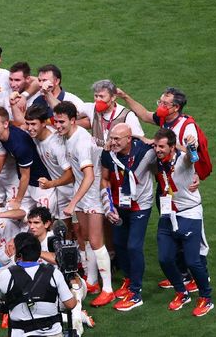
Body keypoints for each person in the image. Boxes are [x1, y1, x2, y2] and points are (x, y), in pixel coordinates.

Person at [117, 86, 204, 290]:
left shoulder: (187, 126)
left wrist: (161, 145)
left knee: (188, 232)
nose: (160, 106)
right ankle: (182, 274)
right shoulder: (165, 119)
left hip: (183, 186)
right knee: (172, 227)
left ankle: (198, 276)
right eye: (160, 102)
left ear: (176, 107)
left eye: (165, 103)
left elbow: (193, 154)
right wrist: (126, 96)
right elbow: (145, 115)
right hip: (165, 186)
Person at [51, 101, 114, 307]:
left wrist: (73, 202)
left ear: (72, 120)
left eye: (61, 122)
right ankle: (93, 281)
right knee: (86, 238)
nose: (57, 125)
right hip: (83, 194)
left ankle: (108, 289)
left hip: (92, 195)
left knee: (96, 241)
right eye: (56, 121)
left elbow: (88, 176)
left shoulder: (81, 142)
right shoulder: (68, 137)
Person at [153, 128, 213, 317]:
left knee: (192, 261)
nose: (157, 149)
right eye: (156, 146)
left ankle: (206, 297)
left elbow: (192, 156)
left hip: (189, 214)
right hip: (168, 214)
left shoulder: (183, 160)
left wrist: (191, 145)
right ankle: (182, 292)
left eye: (161, 146)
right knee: (164, 258)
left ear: (172, 147)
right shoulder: (158, 159)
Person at [100, 123, 155, 311]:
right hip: (118, 205)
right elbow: (105, 179)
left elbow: (170, 153)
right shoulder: (108, 154)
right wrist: (109, 207)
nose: (112, 142)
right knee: (118, 243)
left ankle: (136, 292)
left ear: (129, 139)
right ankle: (129, 279)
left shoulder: (145, 151)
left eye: (117, 139)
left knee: (134, 246)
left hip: (140, 205)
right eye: (111, 138)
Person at [0, 232, 76, 337]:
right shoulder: (54, 273)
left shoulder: (6, 275)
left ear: (19, 254)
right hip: (52, 333)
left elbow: (2, 299)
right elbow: (71, 304)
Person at [0, 107, 54, 216]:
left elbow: (25, 176)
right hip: (27, 184)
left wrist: (18, 200)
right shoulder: (2, 135)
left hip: (41, 185)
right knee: (16, 218)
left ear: (5, 124)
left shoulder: (19, 145)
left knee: (44, 222)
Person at [24, 106, 74, 226]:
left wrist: (50, 184)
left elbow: (71, 175)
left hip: (73, 190)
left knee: (79, 229)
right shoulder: (36, 136)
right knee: (62, 226)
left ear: (43, 123)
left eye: (33, 124)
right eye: (28, 124)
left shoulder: (56, 145)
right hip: (60, 189)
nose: (29, 128)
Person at [83, 79, 144, 148]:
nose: (98, 100)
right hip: (97, 158)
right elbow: (71, 110)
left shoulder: (127, 116)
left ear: (113, 97)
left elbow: (139, 142)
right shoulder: (91, 108)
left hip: (118, 158)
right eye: (96, 96)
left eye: (101, 96)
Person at [8, 61, 40, 126]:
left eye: (17, 80)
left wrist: (24, 95)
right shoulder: (8, 90)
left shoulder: (38, 98)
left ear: (28, 79)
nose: (13, 84)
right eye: (11, 79)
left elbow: (26, 125)